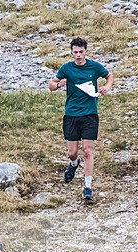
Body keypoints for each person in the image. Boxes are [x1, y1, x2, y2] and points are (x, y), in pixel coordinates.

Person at [49, 36, 114, 203]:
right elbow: (51, 85)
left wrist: (106, 87)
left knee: (87, 151)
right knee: (72, 153)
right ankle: (73, 164)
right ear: (71, 53)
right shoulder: (66, 68)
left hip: (90, 114)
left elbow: (109, 76)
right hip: (71, 114)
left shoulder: (94, 67)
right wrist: (59, 85)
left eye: (81, 52)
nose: (78, 55)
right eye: (75, 52)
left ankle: (87, 187)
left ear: (86, 52)